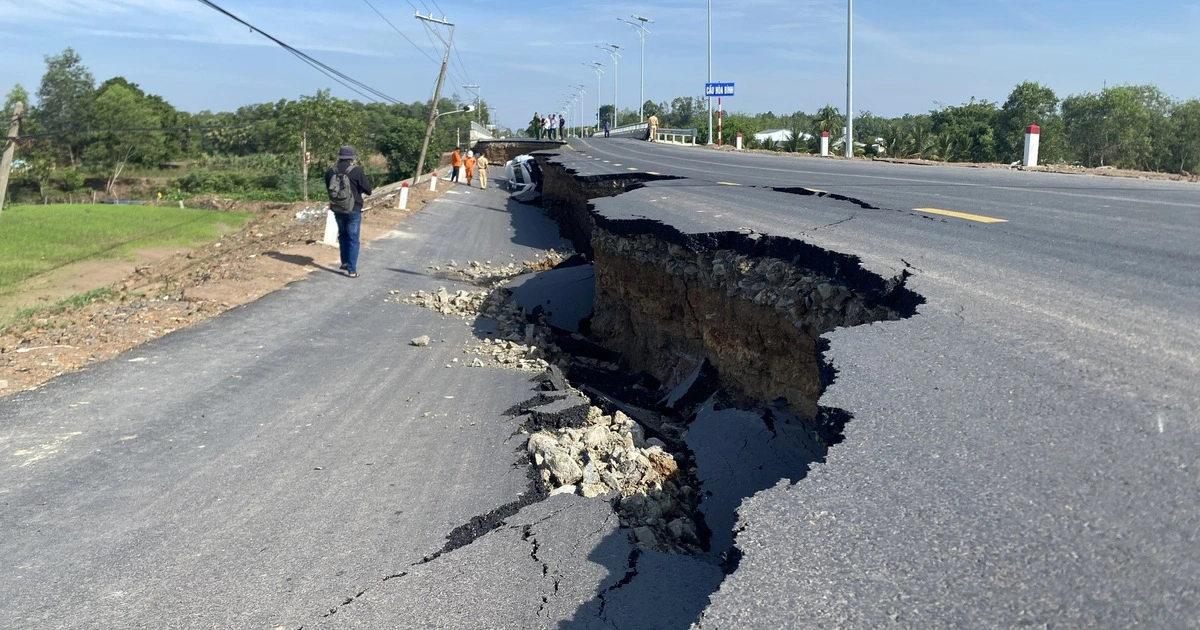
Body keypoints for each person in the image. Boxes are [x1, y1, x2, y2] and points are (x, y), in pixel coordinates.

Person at [324, 146, 373, 278]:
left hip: (337, 208)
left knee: (343, 235)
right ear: (352, 158)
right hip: (354, 209)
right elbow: (369, 190)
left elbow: (329, 190)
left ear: (340, 157)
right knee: (353, 238)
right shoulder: (357, 171)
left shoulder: (330, 172)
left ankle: (344, 261)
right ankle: (352, 270)